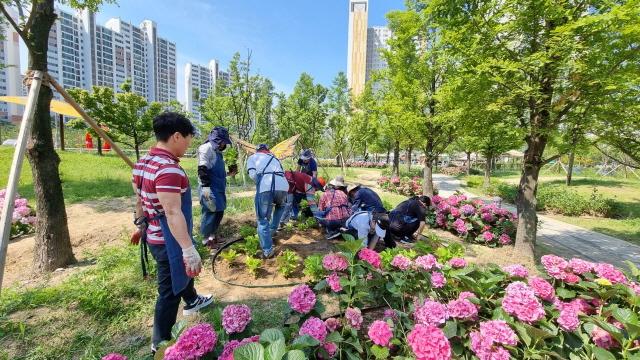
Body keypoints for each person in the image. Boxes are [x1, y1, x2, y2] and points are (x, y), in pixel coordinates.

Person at [132, 112, 213, 354]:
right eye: (188, 138)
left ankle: (192, 299)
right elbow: (172, 212)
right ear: (176, 136)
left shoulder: (142, 163)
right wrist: (188, 249)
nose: (189, 144)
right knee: (168, 290)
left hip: (153, 233)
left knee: (182, 274)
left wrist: (139, 224)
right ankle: (160, 341)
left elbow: (139, 200)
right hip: (169, 238)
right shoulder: (169, 170)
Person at [197, 126, 237, 248]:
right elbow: (202, 169)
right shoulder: (206, 148)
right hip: (208, 188)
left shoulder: (218, 153)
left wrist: (229, 173)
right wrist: (206, 188)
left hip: (219, 188)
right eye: (222, 141)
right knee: (210, 211)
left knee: (219, 211)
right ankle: (205, 240)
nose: (223, 144)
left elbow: (217, 172)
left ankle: (212, 236)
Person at [247, 144, 288, 258]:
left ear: (257, 150)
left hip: (267, 186)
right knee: (280, 206)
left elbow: (253, 175)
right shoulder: (275, 158)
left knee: (263, 219)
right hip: (283, 186)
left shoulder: (253, 157)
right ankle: (272, 230)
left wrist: (261, 184)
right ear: (267, 151)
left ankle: (267, 250)